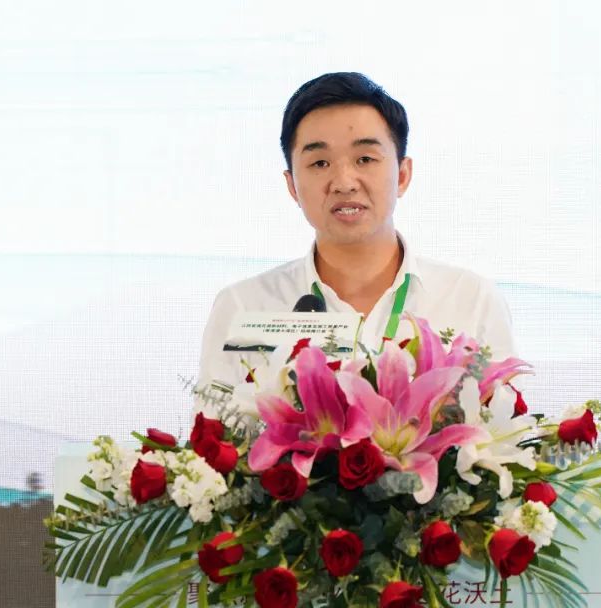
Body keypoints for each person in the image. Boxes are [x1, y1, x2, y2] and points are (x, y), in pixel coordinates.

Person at [196, 72, 513, 392]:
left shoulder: (471, 300)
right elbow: (214, 421)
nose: (344, 182)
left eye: (365, 159)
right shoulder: (243, 306)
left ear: (403, 175)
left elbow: (502, 419)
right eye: (320, 163)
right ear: (292, 185)